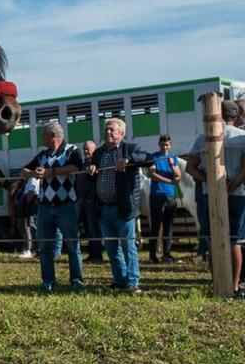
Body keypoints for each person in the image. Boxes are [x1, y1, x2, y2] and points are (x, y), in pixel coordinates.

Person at [87, 118, 154, 294]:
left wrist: (129, 159)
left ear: (122, 134)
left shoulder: (130, 149)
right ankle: (120, 279)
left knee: (128, 246)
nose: (108, 132)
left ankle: (133, 282)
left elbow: (149, 158)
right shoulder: (98, 153)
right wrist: (91, 170)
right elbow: (92, 179)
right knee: (111, 248)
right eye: (106, 129)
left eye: (112, 130)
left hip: (124, 209)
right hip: (103, 208)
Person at [186, 100, 245, 295]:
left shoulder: (203, 137)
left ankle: (217, 284)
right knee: (233, 241)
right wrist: (229, 187)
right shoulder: (242, 137)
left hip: (207, 194)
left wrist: (209, 181)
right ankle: (234, 286)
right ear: (235, 118)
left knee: (212, 240)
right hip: (236, 194)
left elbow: (190, 168)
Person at [21, 121, 85, 293]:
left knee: (73, 245)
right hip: (45, 206)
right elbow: (24, 170)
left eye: (43, 135)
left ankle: (76, 280)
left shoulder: (72, 150)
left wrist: (52, 172)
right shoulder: (42, 154)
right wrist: (28, 173)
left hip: (66, 205)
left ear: (53, 136)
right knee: (45, 247)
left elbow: (77, 167)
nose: (41, 138)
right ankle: (47, 281)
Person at [147, 135, 181, 263]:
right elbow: (151, 174)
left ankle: (166, 255)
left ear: (170, 145)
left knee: (168, 227)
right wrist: (169, 180)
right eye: (162, 144)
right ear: (159, 145)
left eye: (167, 144)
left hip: (170, 196)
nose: (164, 147)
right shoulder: (153, 157)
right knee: (155, 226)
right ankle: (152, 256)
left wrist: (172, 165)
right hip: (156, 195)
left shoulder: (173, 158)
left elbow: (178, 176)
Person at [75, 141, 102, 263]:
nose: (86, 151)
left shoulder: (95, 163)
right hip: (81, 199)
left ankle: (97, 256)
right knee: (86, 228)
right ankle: (91, 255)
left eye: (88, 149)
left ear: (94, 150)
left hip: (91, 200)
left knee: (93, 229)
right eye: (84, 149)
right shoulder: (83, 163)